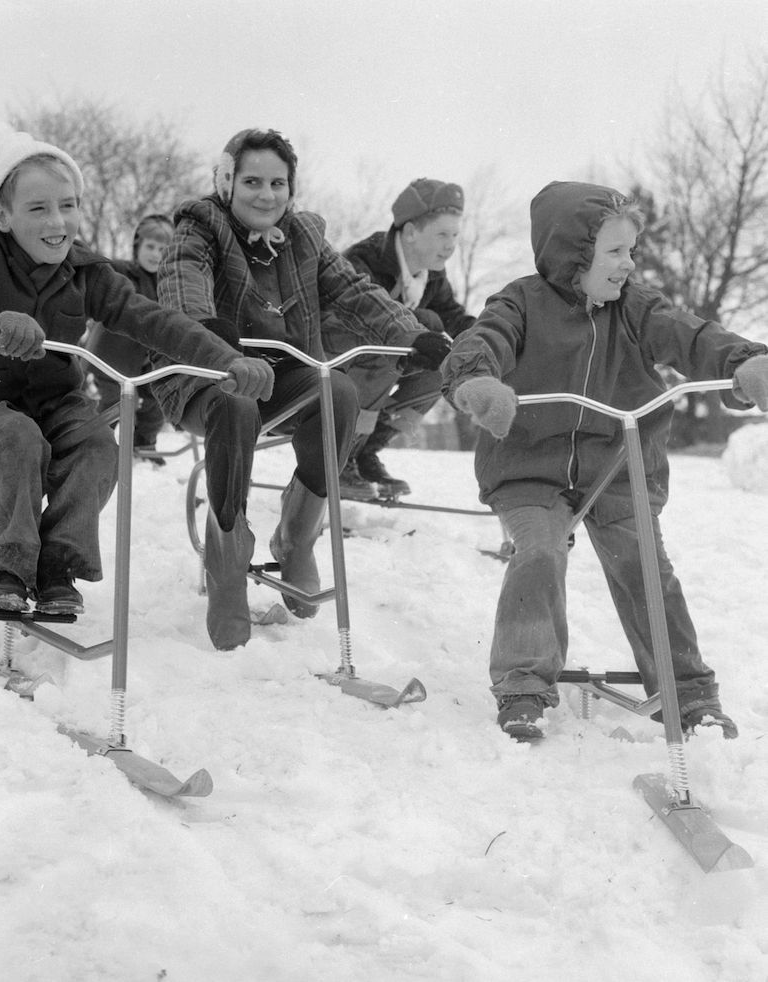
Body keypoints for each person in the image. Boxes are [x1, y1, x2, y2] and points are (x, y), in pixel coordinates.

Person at [439, 180, 768, 741]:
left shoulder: (638, 308)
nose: (628, 263)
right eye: (615, 251)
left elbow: (691, 337)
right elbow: (483, 340)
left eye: (631, 250)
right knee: (539, 550)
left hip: (617, 467)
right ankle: (522, 685)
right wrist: (477, 381)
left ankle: (687, 692)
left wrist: (744, 360)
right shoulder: (520, 303)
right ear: (574, 255)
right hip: (528, 468)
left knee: (644, 564)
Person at [0, 132, 271, 615]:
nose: (57, 221)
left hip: (55, 401)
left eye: (68, 205)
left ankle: (58, 565)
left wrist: (226, 360)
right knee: (18, 439)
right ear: (4, 217)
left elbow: (153, 319)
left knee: (99, 447)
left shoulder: (86, 271)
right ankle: (10, 566)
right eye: (38, 209)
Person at [152, 128, 448, 650]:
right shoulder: (201, 226)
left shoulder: (304, 236)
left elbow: (356, 292)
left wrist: (413, 334)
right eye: (251, 182)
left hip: (282, 374)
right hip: (205, 372)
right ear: (227, 181)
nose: (266, 195)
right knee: (235, 399)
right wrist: (208, 332)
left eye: (277, 183)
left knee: (336, 389)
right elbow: (183, 278)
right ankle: (226, 557)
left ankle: (296, 534)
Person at [329, 178, 476, 500]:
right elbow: (364, 316)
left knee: (445, 362)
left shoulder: (431, 273)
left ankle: (365, 450)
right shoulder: (364, 262)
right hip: (336, 366)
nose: (451, 245)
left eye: (454, 235)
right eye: (441, 234)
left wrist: (486, 339)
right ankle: (341, 454)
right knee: (425, 325)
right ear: (410, 232)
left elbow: (454, 315)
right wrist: (424, 329)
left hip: (383, 366)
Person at [84, 214, 174, 464]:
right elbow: (96, 272)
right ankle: (93, 450)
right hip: (109, 357)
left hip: (144, 361)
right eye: (150, 247)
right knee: (110, 406)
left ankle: (144, 447)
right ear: (137, 247)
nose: (156, 254)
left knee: (154, 404)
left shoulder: (168, 285)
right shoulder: (121, 271)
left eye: (163, 249)